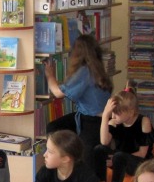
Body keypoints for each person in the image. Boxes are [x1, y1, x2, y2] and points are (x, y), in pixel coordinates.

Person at [44, 34, 112, 170]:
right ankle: (65, 159)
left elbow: (58, 93)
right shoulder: (97, 67)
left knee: (86, 157)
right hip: (95, 118)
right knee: (54, 128)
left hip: (92, 122)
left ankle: (66, 162)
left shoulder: (84, 71)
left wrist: (50, 75)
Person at [94, 88, 154, 182]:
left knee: (119, 156)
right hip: (119, 159)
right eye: (112, 113)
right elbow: (104, 142)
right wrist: (105, 116)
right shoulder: (115, 122)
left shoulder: (144, 121)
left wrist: (116, 158)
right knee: (99, 149)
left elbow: (142, 153)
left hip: (140, 162)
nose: (113, 116)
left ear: (131, 112)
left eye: (117, 113)